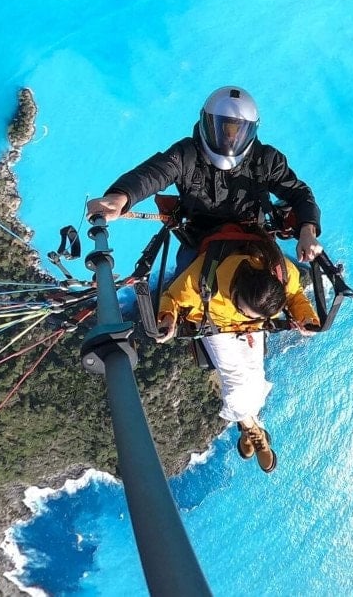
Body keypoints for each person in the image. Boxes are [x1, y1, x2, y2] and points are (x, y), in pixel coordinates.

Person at [86, 86, 323, 267]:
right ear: (206, 123)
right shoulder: (187, 154)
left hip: (253, 238)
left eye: (237, 131)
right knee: (187, 295)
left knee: (277, 287)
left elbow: (299, 193)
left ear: (251, 131)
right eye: (222, 128)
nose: (229, 139)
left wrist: (307, 230)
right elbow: (153, 173)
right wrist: (121, 196)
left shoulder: (267, 160)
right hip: (200, 240)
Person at [155, 231, 318, 473]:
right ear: (235, 292)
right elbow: (172, 297)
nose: (247, 316)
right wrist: (167, 318)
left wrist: (306, 318)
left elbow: (294, 295)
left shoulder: (277, 271)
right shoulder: (205, 277)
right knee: (235, 381)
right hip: (216, 324)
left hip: (253, 329)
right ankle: (251, 427)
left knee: (255, 376)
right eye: (246, 312)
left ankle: (247, 423)